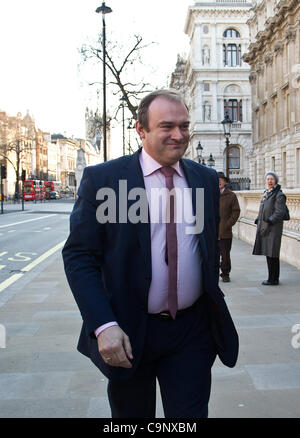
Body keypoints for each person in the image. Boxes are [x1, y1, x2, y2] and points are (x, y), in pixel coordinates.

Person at [62, 89, 238, 418]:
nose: (179, 135)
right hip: (128, 330)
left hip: (191, 331)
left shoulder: (204, 179)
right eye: (167, 126)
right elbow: (79, 257)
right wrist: (102, 325)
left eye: (184, 126)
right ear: (141, 130)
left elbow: (204, 246)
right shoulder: (105, 180)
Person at [253, 172, 287, 285]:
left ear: (275, 181)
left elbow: (280, 211)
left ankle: (274, 279)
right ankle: (271, 277)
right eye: (268, 179)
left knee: (273, 253)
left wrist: (270, 220)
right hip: (265, 227)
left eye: (272, 179)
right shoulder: (266, 193)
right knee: (268, 252)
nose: (269, 181)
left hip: (274, 227)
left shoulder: (279, 194)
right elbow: (263, 209)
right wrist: (259, 218)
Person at [218, 172, 240, 282]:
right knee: (213, 254)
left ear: (225, 182)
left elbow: (236, 212)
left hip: (225, 231)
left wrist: (228, 224)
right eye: (217, 180)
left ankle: (225, 274)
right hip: (212, 231)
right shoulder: (210, 194)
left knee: (225, 254)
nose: (219, 182)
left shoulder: (231, 195)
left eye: (221, 180)